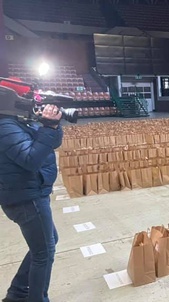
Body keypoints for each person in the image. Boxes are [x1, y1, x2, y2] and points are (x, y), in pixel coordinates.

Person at [0, 83, 64, 302]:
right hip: (26, 198)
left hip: (28, 193)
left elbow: (49, 143)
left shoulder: (14, 123)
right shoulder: (5, 127)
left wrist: (52, 126)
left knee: (48, 242)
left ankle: (17, 293)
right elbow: (30, 159)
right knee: (43, 254)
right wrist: (46, 127)